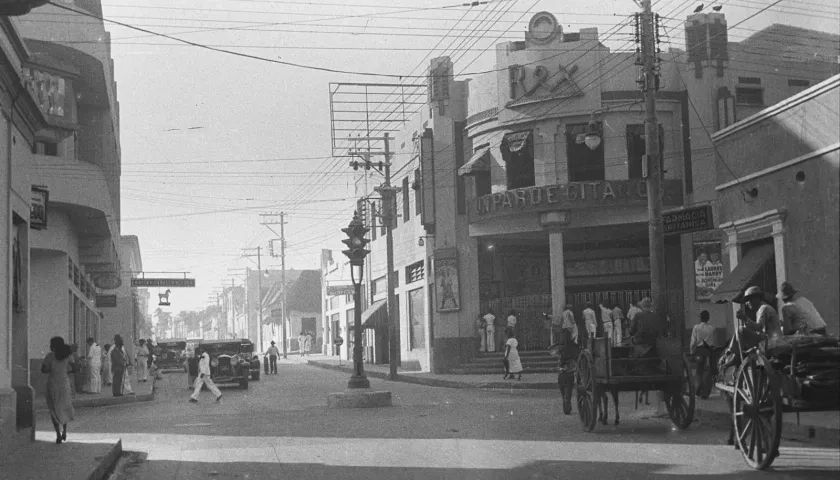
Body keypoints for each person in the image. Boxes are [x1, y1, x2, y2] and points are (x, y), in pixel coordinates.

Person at [42, 336, 75, 444]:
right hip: (65, 383)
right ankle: (64, 431)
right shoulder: (68, 356)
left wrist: (51, 369)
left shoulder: (50, 356)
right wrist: (65, 371)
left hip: (53, 384)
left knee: (54, 408)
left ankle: (58, 434)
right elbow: (74, 368)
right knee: (64, 407)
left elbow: (43, 370)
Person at [690, 310, 717, 398]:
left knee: (699, 371)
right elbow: (714, 342)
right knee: (708, 372)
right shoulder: (712, 328)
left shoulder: (696, 327)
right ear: (708, 318)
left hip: (699, 351)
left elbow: (693, 341)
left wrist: (692, 351)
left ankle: (698, 389)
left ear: (700, 318)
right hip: (709, 351)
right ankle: (706, 393)